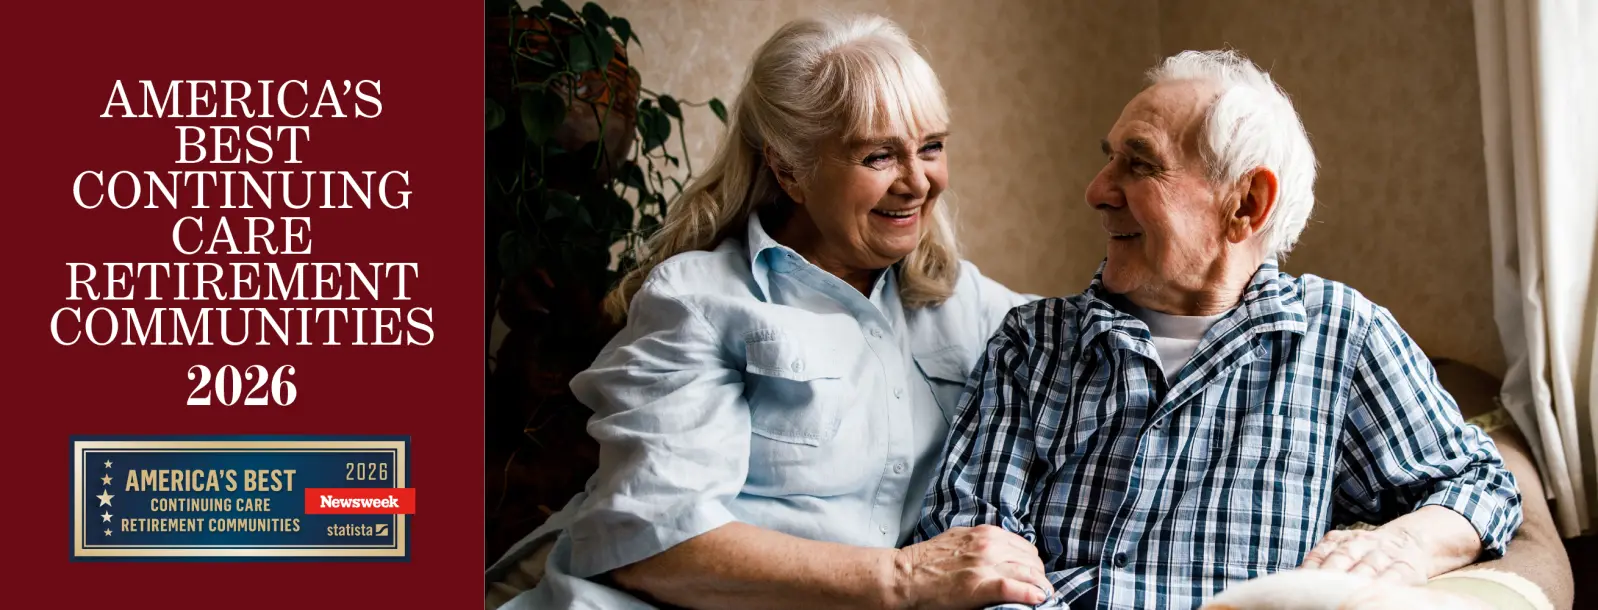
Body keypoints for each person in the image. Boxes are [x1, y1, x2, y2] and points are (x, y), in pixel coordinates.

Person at [914, 50, 1524, 610]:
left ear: (1247, 204)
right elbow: (969, 549)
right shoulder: (1036, 343)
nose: (1097, 191)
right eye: (1109, 159)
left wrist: (1408, 546)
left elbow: (1480, 484)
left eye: (1140, 163)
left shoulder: (1340, 336)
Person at [486, 13, 1056, 610]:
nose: (918, 183)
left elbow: (1120, 335)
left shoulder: (966, 302)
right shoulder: (697, 300)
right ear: (789, 170)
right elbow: (651, 546)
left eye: (932, 147)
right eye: (879, 156)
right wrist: (906, 577)